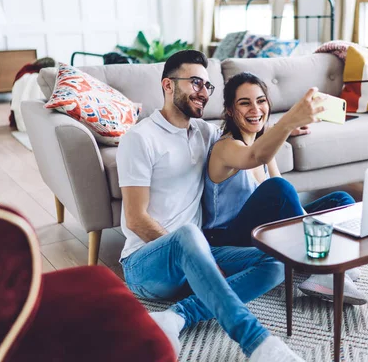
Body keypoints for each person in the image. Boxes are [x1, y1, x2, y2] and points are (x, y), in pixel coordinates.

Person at [116, 50, 323, 361]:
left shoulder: (202, 131)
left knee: (277, 261)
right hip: (146, 265)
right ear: (168, 85)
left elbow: (248, 139)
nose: (203, 92)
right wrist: (190, 253)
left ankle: (177, 316)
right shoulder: (140, 138)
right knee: (187, 235)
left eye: (207, 86)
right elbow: (135, 218)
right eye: (196, 82)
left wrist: (286, 127)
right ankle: (259, 345)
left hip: (199, 252)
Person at [201, 72, 368, 305]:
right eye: (244, 103)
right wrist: (288, 123)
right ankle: (323, 271)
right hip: (228, 238)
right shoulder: (226, 147)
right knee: (277, 188)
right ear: (229, 110)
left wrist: (311, 221)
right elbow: (260, 164)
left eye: (261, 101)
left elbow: (284, 203)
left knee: (340, 199)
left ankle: (335, 257)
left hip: (263, 230)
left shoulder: (263, 142)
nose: (256, 109)